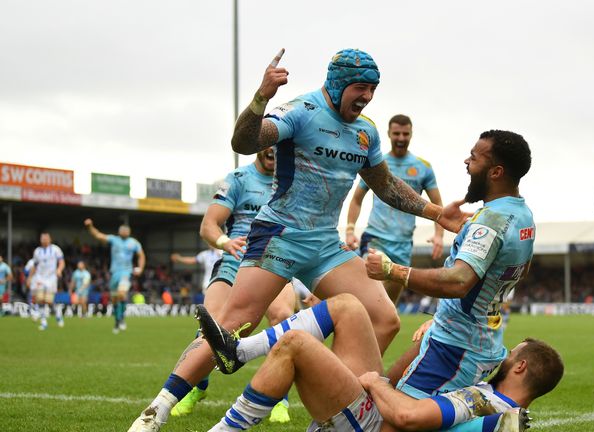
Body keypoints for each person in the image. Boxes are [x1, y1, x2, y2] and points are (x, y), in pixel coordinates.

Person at [127, 48, 467, 431]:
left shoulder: (366, 132)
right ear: (337, 84)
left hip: (325, 244)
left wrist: (437, 214)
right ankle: (157, 409)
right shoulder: (302, 110)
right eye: (360, 87)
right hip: (280, 235)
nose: (367, 96)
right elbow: (244, 142)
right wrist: (261, 97)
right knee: (235, 324)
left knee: (384, 318)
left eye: (372, 89)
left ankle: (337, 413)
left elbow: (384, 185)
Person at [196, 294, 563, 431]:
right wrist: (432, 340)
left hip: (374, 424)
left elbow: (406, 416)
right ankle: (238, 352)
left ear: (521, 368)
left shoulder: (491, 406)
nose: (505, 355)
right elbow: (401, 386)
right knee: (349, 307)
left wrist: (375, 384)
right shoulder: (497, 404)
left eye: (512, 353)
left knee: (295, 343)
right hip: (380, 410)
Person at [366, 130, 535, 399]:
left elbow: (458, 282)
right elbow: (518, 269)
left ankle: (491, 423)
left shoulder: (491, 220)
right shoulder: (521, 214)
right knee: (386, 389)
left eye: (474, 158)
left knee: (394, 419)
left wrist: (391, 270)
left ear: (495, 172)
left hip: (456, 348)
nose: (466, 162)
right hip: (461, 334)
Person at [168, 148, 295, 422]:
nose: (273, 150)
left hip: (274, 260)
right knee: (210, 324)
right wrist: (225, 242)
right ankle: (196, 388)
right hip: (235, 260)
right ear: (257, 145)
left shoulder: (292, 178)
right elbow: (209, 225)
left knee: (283, 317)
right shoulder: (237, 179)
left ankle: (279, 399)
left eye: (279, 143)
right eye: (268, 144)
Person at [346, 114, 444, 304]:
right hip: (376, 239)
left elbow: (437, 205)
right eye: (396, 133)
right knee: (374, 300)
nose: (401, 138)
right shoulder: (377, 163)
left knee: (389, 311)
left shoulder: (422, 167)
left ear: (411, 134)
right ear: (389, 134)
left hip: (403, 245)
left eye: (405, 134)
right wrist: (350, 229)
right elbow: (357, 199)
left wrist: (439, 234)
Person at [84, 219, 145, 333]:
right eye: (122, 229)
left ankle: (121, 319)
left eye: (126, 230)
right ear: (119, 231)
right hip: (114, 273)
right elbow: (98, 235)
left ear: (129, 231)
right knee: (115, 299)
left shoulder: (134, 243)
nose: (124, 231)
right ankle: (118, 320)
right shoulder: (114, 239)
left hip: (126, 272)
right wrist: (90, 226)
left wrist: (140, 268)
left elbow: (141, 255)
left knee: (122, 294)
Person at [27, 233, 65, 330]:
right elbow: (34, 266)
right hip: (40, 278)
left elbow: (61, 262)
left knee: (49, 301)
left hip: (51, 277)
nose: (44, 240)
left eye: (46, 238)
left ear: (50, 239)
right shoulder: (37, 251)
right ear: (40, 240)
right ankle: (44, 322)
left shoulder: (56, 249)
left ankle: (58, 315)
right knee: (39, 299)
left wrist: (59, 270)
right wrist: (30, 278)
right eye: (42, 238)